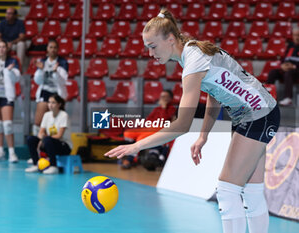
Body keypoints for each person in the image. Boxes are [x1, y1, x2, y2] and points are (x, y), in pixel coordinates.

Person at [105, 9, 280, 233]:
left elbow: (182, 124)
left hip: (258, 114)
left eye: (153, 46)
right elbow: (214, 95)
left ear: (170, 39)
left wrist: (137, 146)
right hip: (257, 113)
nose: (150, 54)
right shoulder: (191, 55)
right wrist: (203, 135)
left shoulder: (193, 60)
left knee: (227, 190)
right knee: (252, 192)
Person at [121, 90, 176, 169]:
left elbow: (163, 121)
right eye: (161, 96)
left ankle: (130, 159)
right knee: (128, 133)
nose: (162, 98)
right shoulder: (157, 108)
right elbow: (148, 120)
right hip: (150, 128)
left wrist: (164, 107)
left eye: (164, 96)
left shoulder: (172, 109)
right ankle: (128, 155)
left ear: (170, 99)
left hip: (160, 130)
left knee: (140, 140)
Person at [25, 94, 72, 175]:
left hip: (64, 146)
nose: (50, 105)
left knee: (47, 139)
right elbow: (41, 132)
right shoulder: (46, 115)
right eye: (49, 102)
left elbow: (59, 135)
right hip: (48, 143)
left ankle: (54, 166)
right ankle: (36, 164)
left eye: (53, 103)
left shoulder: (64, 115)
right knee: (31, 139)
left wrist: (44, 139)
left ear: (59, 104)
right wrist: (41, 138)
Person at [32, 40, 69, 137]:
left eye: (55, 47)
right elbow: (38, 81)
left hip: (57, 93)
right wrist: (40, 70)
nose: (52, 49)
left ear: (58, 49)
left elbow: (63, 81)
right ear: (47, 49)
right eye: (50, 47)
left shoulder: (62, 62)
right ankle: (37, 144)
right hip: (45, 92)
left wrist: (56, 72)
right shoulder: (43, 62)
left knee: (56, 121)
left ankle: (53, 143)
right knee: (38, 122)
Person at [267, 28, 299, 106]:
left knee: (288, 73)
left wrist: (294, 66)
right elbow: (284, 59)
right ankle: (267, 96)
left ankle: (288, 98)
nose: (297, 37)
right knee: (272, 73)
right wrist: (282, 65)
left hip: (296, 70)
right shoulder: (290, 46)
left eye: (298, 35)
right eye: (295, 35)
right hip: (288, 69)